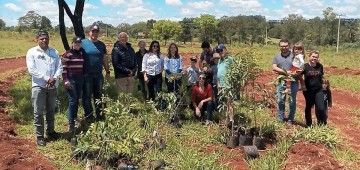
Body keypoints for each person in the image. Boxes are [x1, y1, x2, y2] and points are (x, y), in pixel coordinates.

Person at [26, 30, 63, 146]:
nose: (44, 40)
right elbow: (32, 70)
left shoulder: (54, 51)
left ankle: (51, 131)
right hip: (39, 87)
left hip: (52, 86)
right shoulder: (32, 52)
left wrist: (54, 78)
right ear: (37, 39)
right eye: (42, 38)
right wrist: (47, 78)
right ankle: (40, 136)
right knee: (38, 112)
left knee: (51, 110)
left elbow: (60, 67)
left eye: (46, 38)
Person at [82, 23, 110, 121]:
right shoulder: (83, 43)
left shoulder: (101, 44)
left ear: (98, 33)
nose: (94, 33)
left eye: (96, 31)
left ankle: (100, 114)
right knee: (87, 96)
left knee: (98, 95)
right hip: (86, 74)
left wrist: (107, 71)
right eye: (93, 31)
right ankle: (89, 116)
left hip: (98, 74)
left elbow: (104, 58)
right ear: (89, 32)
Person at [272, 39, 299, 125]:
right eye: (282, 46)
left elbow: (298, 68)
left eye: (286, 46)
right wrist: (286, 72)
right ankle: (280, 118)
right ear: (279, 47)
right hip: (281, 81)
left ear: (289, 46)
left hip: (293, 81)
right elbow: (274, 67)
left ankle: (290, 119)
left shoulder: (294, 56)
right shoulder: (276, 57)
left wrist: (290, 73)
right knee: (280, 100)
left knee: (292, 101)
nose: (284, 48)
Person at [62, 36, 84, 132]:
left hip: (79, 79)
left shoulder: (81, 53)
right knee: (72, 100)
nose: (77, 44)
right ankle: (71, 124)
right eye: (76, 43)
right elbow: (63, 69)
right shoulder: (67, 54)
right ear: (72, 43)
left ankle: (75, 118)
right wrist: (65, 80)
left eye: (79, 43)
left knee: (76, 99)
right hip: (70, 79)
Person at [302, 51, 326, 126]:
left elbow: (321, 76)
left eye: (316, 57)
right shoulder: (304, 66)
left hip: (319, 90)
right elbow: (298, 75)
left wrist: (325, 85)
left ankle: (321, 123)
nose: (314, 58)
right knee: (309, 107)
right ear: (309, 57)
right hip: (308, 91)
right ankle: (309, 124)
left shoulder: (320, 66)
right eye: (313, 56)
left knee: (321, 107)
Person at [216, 44, 236, 128]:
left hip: (229, 86)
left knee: (229, 103)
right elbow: (218, 73)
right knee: (224, 103)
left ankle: (231, 120)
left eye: (221, 50)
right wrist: (218, 84)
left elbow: (236, 70)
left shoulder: (231, 59)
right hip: (221, 86)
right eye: (218, 51)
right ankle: (226, 120)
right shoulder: (220, 61)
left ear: (225, 50)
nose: (220, 52)